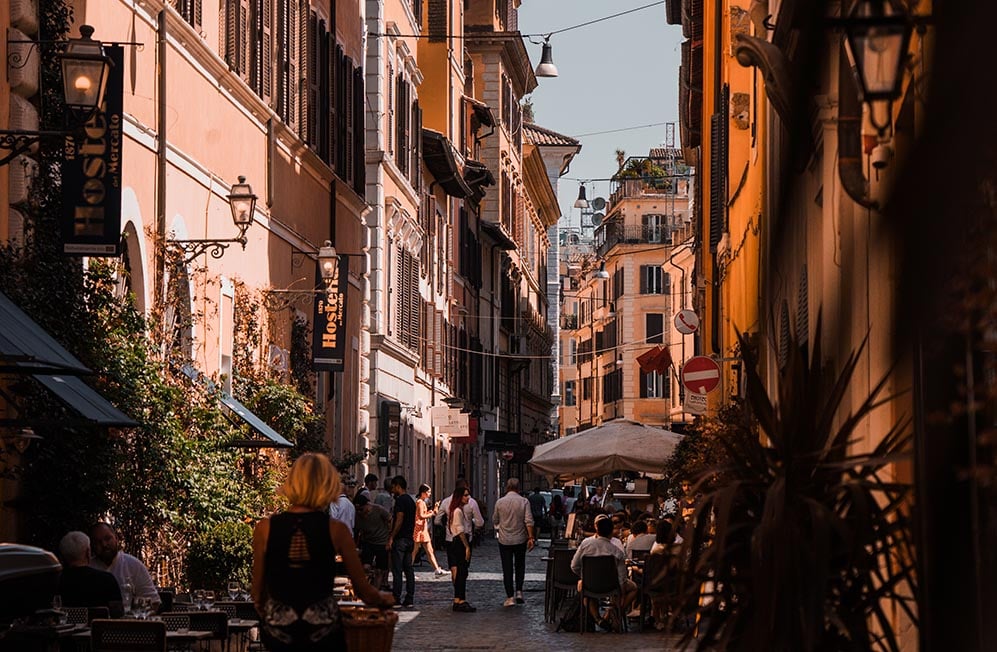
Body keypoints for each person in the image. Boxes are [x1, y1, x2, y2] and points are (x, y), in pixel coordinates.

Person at [252, 453, 393, 651]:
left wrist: (272, 614)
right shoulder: (336, 530)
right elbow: (363, 590)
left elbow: (257, 591)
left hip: (279, 630)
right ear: (327, 485)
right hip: (322, 628)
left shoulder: (265, 528)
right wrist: (384, 599)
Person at [570, 514, 638, 632]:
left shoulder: (586, 545)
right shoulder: (616, 551)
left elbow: (574, 566)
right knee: (634, 588)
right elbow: (622, 577)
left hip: (590, 584)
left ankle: (598, 618)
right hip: (611, 585)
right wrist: (620, 591)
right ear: (611, 532)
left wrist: (584, 576)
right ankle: (615, 612)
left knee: (585, 591)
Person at [89, 522, 161, 612]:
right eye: (98, 542)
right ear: (92, 545)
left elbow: (153, 602)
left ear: (116, 538)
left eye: (107, 539)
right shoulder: (88, 568)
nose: (104, 544)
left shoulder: (133, 565)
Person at [492, 478, 535, 607]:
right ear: (518, 488)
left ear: (507, 488)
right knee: (520, 565)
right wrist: (531, 537)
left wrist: (500, 526)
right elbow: (529, 521)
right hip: (520, 539)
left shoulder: (500, 502)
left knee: (507, 568)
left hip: (504, 540)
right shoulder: (524, 501)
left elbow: (495, 519)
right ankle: (519, 591)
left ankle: (510, 596)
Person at [58, 531, 122, 615]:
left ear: (62, 557)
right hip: (99, 627)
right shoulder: (107, 580)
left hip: (66, 628)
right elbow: (118, 614)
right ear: (88, 553)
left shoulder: (55, 582)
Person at [386, 475, 416, 607]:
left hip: (401, 540)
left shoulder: (400, 501)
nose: (392, 490)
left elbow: (399, 518)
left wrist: (392, 536)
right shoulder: (410, 500)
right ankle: (409, 598)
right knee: (409, 570)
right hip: (410, 539)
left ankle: (396, 598)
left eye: (393, 487)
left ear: (398, 486)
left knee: (397, 570)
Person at [445, 487, 476, 612]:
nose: (468, 497)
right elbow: (459, 531)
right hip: (459, 542)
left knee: (460, 573)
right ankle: (460, 600)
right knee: (462, 573)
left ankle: (458, 599)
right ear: (459, 497)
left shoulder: (456, 510)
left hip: (456, 542)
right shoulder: (457, 511)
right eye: (465, 495)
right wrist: (467, 546)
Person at [353, 494, 392, 592]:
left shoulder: (378, 510)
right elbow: (356, 531)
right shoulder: (357, 515)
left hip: (381, 542)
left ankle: (375, 591)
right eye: (357, 510)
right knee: (365, 567)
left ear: (367, 505)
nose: (359, 512)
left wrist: (390, 537)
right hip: (368, 542)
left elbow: (390, 519)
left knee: (380, 570)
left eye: (361, 509)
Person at [435, 479, 485, 548]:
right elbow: (480, 522)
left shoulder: (446, 501)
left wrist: (446, 527)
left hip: (450, 538)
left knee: (452, 558)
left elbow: (437, 521)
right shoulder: (471, 503)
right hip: (466, 537)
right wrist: (473, 527)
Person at [411, 484, 445, 576]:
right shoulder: (420, 502)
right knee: (415, 551)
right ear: (423, 493)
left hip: (423, 529)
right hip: (420, 529)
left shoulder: (422, 502)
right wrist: (431, 514)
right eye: (428, 492)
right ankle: (408, 570)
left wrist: (435, 508)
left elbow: (429, 513)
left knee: (429, 550)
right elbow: (421, 516)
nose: (430, 493)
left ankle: (437, 569)